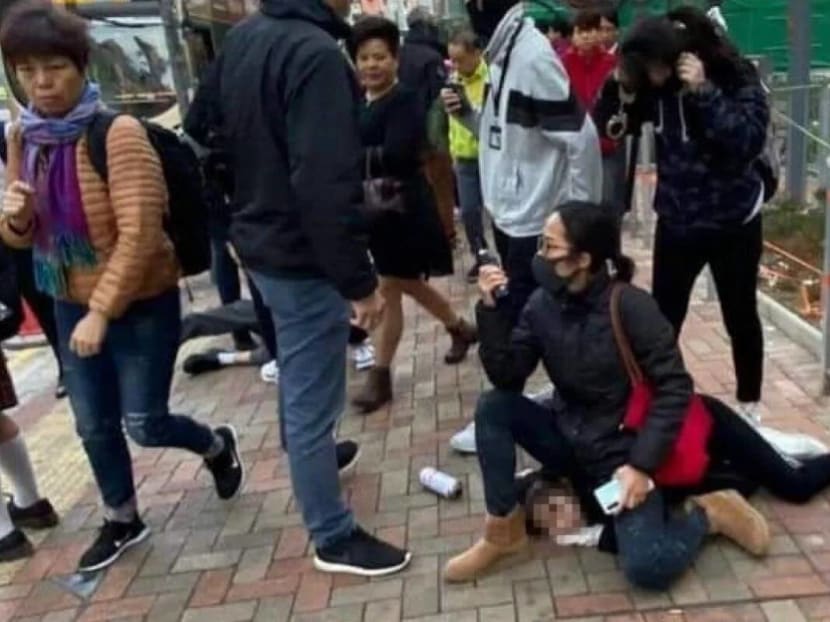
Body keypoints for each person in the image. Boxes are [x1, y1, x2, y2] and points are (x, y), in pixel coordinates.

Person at [0, 0, 244, 573]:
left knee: (145, 422)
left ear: (82, 66)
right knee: (92, 423)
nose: (41, 82)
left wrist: (101, 313)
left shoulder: (121, 133)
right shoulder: (28, 139)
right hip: (67, 299)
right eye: (27, 70)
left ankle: (216, 444)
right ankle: (122, 516)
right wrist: (15, 216)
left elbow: (139, 236)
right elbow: (21, 242)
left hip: (139, 301)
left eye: (54, 68)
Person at [444, 202, 771, 589]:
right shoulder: (540, 305)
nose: (540, 257)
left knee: (648, 567)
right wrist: (491, 309)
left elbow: (674, 388)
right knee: (494, 407)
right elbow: (507, 378)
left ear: (583, 259)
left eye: (549, 247)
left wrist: (640, 466)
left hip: (622, 455)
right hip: (570, 440)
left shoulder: (631, 306)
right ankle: (504, 534)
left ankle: (709, 513)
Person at [215, 0, 411, 576]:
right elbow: (326, 178)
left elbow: (208, 135)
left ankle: (317, 457)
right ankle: (332, 534)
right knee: (311, 393)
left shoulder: (244, 38)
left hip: (261, 239)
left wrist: (237, 215)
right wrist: (359, 282)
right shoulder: (316, 56)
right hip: (300, 253)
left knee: (301, 384)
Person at [594, 9, 769, 419]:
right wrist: (617, 90)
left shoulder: (733, 75)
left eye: (655, 69)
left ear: (678, 59)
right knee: (663, 320)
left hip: (734, 220)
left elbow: (746, 140)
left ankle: (750, 405)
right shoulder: (652, 86)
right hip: (677, 221)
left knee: (740, 315)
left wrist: (704, 92)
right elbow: (609, 128)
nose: (653, 79)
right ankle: (659, 401)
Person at [443, 0, 602, 453]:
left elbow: (582, 138)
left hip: (535, 222)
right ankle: (543, 404)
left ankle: (505, 413)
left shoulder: (530, 57)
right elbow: (509, 136)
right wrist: (466, 116)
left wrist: (577, 220)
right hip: (513, 214)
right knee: (540, 319)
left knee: (518, 320)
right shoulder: (503, 53)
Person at [349, 18, 478, 414]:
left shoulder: (404, 99)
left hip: (401, 211)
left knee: (389, 288)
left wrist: (350, 158)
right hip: (374, 211)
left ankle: (381, 376)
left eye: (380, 57)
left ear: (395, 60)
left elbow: (401, 153)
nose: (372, 65)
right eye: (365, 58)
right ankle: (459, 327)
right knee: (407, 284)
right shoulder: (357, 101)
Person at [399, 8, 456, 246]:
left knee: (416, 188)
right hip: (430, 136)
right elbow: (440, 100)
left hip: (404, 133)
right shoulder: (431, 57)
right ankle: (446, 235)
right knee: (441, 186)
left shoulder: (398, 53)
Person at [447, 28, 489, 283]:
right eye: (452, 59)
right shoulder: (454, 80)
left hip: (490, 157)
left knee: (498, 211)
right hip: (464, 159)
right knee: (470, 211)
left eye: (460, 59)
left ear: (477, 54)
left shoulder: (493, 78)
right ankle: (481, 255)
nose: (456, 65)